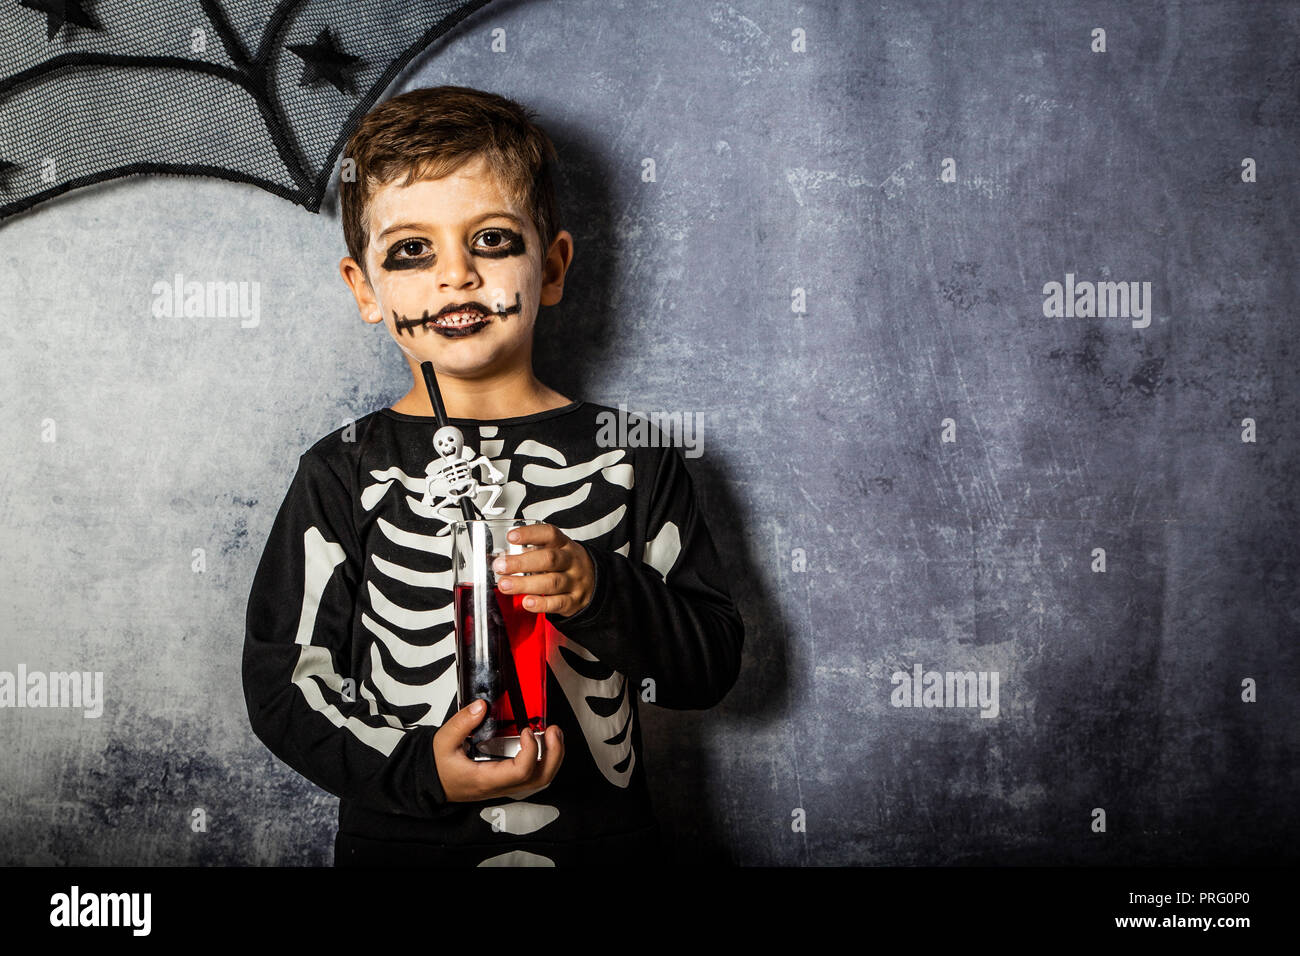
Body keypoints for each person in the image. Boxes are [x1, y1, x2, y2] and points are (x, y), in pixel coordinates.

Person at [241, 85, 744, 866]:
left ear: (552, 268)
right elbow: (284, 688)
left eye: (494, 241)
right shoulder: (340, 471)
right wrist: (418, 771)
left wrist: (599, 590)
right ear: (365, 290)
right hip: (401, 846)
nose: (456, 277)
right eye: (412, 250)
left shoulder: (635, 454)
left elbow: (710, 662)